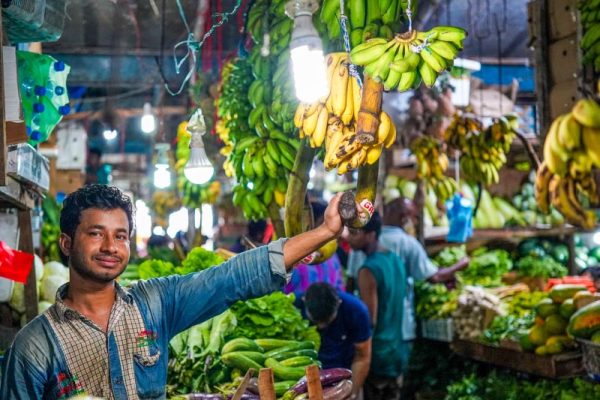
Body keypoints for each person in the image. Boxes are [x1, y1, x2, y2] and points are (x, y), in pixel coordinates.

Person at [1, 184, 344, 399]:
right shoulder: (34, 346)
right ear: (66, 242)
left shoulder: (155, 304)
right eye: (95, 233)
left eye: (120, 236)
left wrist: (325, 230)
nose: (110, 246)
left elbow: (232, 278)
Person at [296, 283, 371, 398]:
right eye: (316, 321)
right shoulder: (293, 306)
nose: (321, 327)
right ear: (303, 300)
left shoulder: (356, 311)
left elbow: (363, 357)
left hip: (345, 376)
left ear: (339, 303)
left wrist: (352, 392)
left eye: (326, 321)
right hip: (304, 379)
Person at [284, 201, 345, 298]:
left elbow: (339, 285)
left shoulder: (332, 253)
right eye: (323, 223)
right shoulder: (295, 251)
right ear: (309, 223)